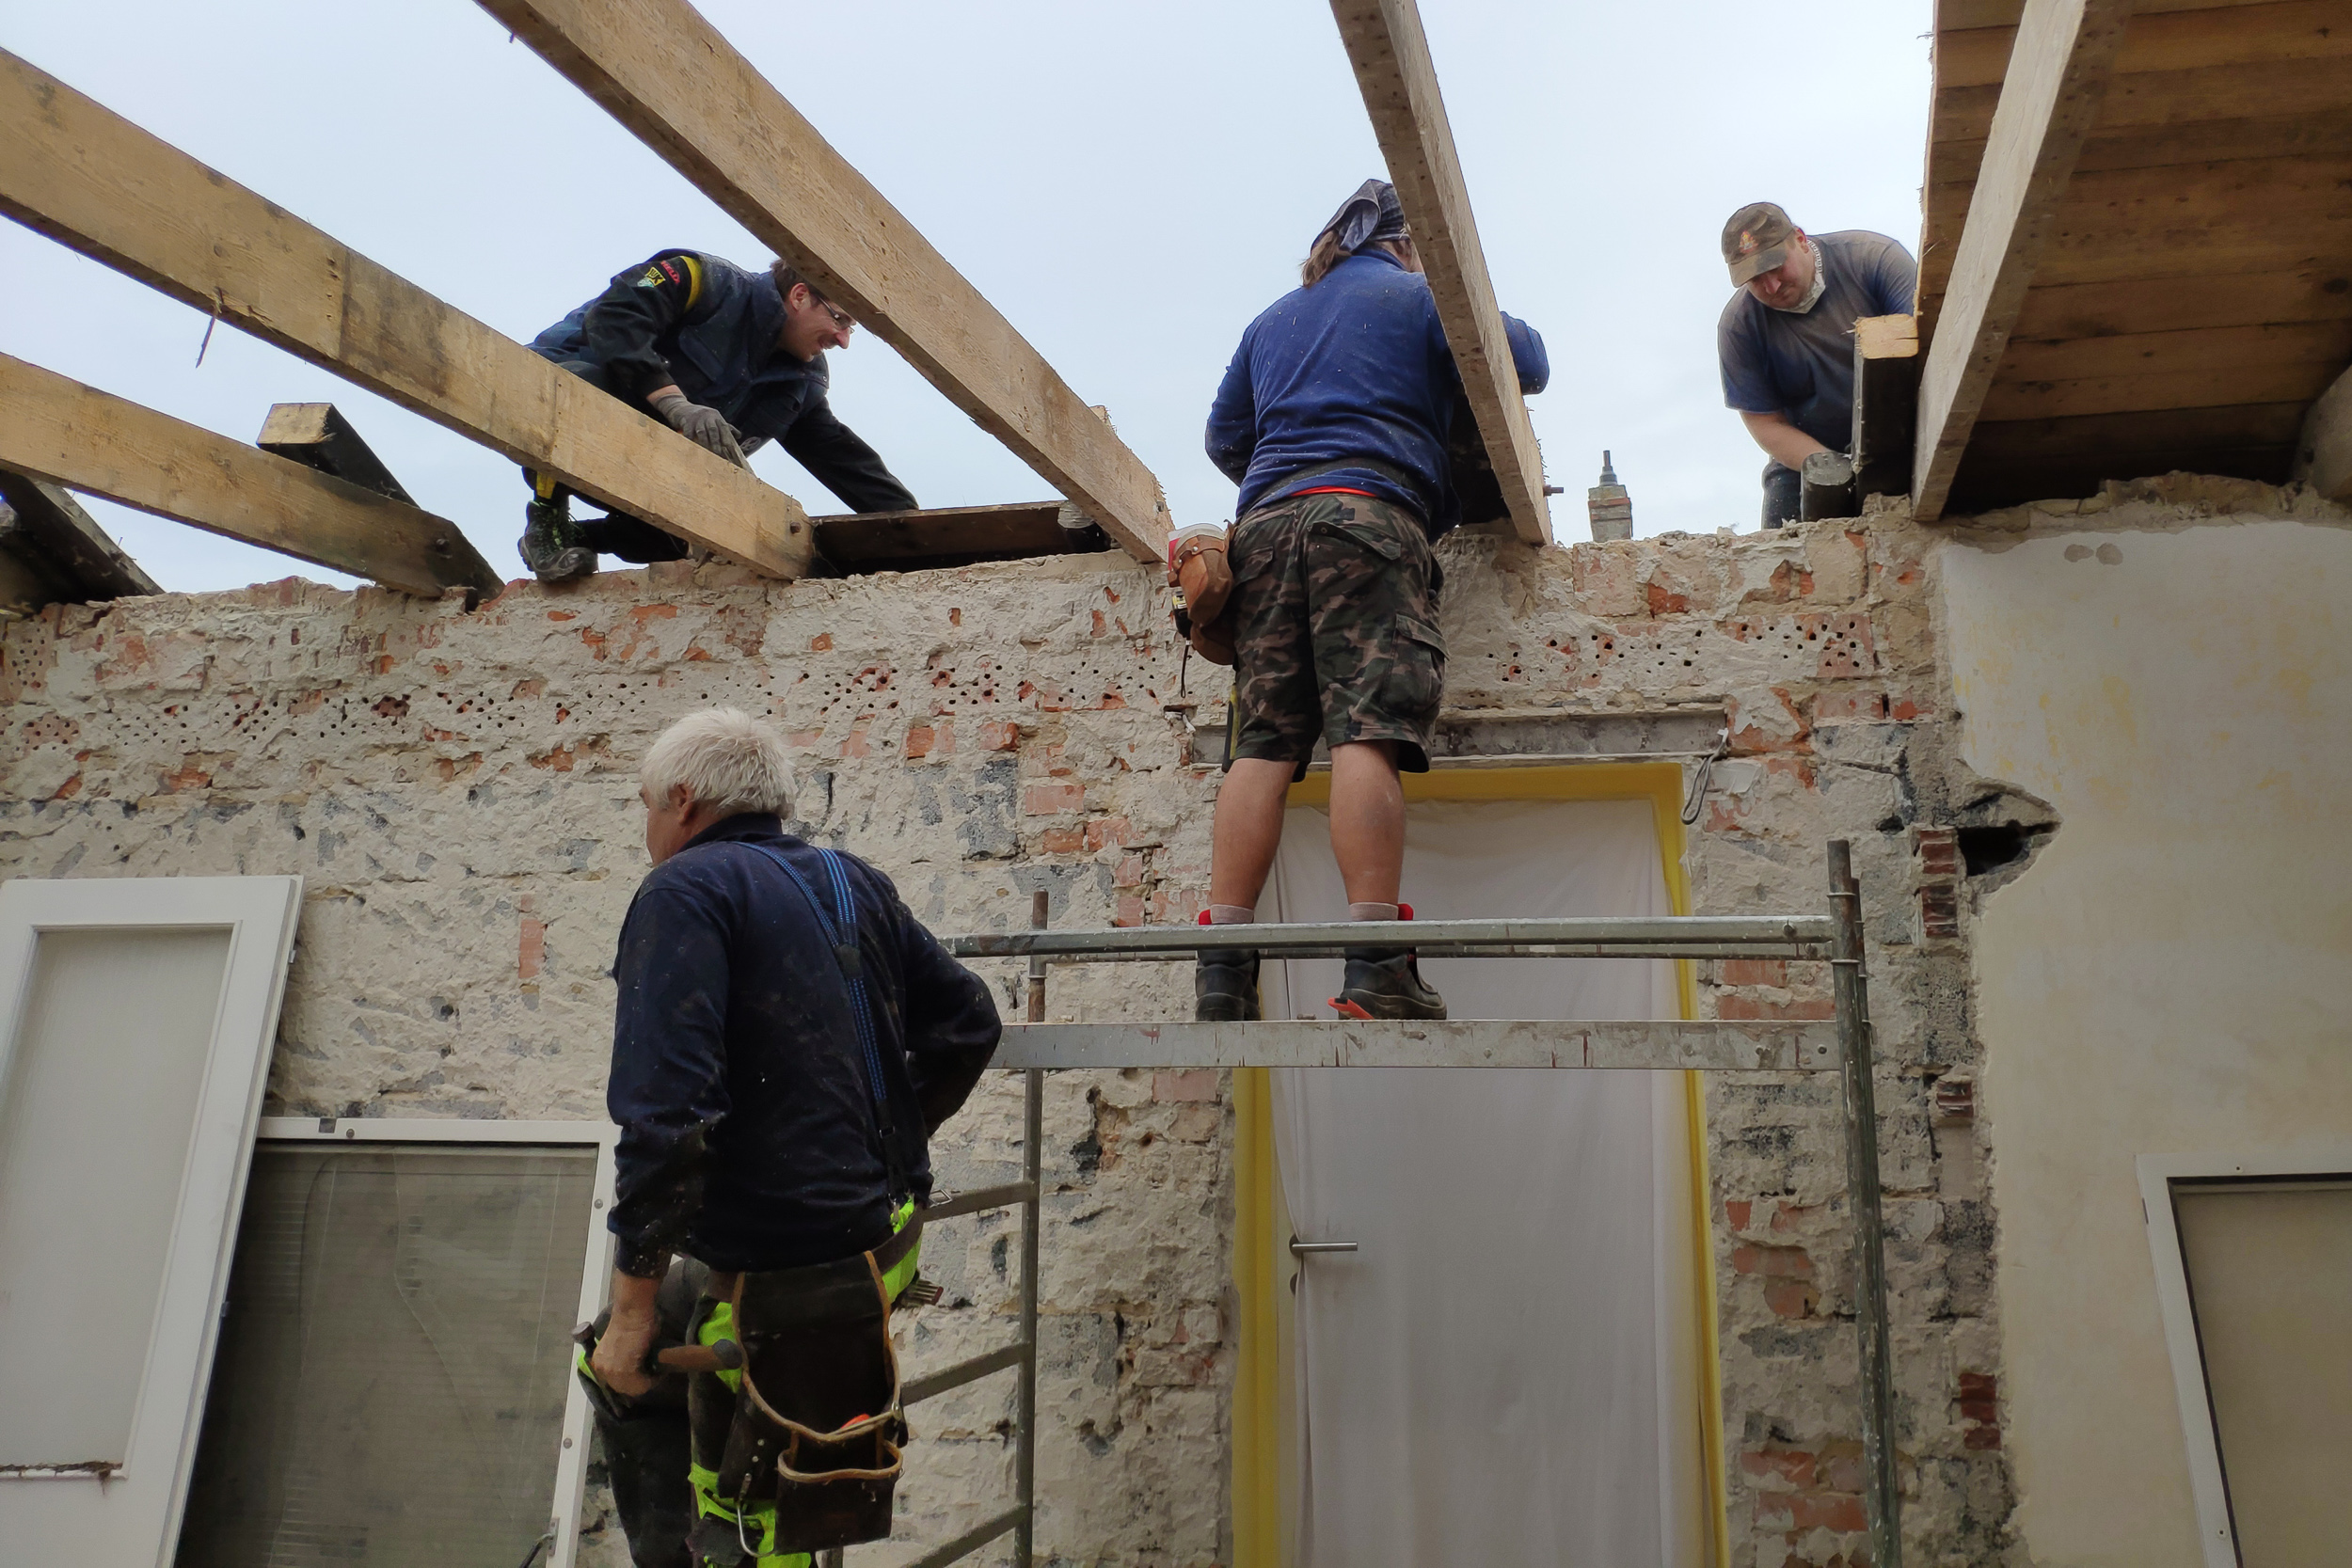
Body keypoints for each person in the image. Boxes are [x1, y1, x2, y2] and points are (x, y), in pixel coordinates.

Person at [583, 708, 1001, 1566]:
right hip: (878, 1249)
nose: (645, 829)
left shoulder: (682, 892)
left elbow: (668, 1121)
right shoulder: (853, 881)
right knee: (659, 1385)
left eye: (645, 807)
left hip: (775, 1278)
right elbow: (970, 1024)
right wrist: (879, 1147)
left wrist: (630, 1314)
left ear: (684, 801)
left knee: (733, 1499)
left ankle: (716, 1538)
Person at [1199, 180, 1549, 1023]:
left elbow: (1223, 439)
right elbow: (1529, 361)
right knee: (1366, 732)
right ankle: (1376, 965)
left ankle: (1222, 976)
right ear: (1406, 241)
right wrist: (1452, 287)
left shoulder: (1272, 320)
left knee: (1262, 743)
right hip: (1366, 520)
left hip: (1263, 535)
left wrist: (1291, 470)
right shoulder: (1417, 295)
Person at [518, 253, 919, 581]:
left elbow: (844, 460)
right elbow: (615, 318)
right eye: (840, 319)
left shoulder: (800, 382)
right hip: (556, 397)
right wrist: (674, 403)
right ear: (800, 296)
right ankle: (548, 514)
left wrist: (917, 532)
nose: (843, 340)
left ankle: (581, 536)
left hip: (640, 459)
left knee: (696, 524)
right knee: (576, 393)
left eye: (851, 329)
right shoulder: (701, 281)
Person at [1717, 202, 1917, 530]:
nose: (1771, 286)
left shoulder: (1874, 259)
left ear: (1800, 239)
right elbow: (1766, 423)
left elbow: (1924, 352)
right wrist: (1830, 467)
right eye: (1755, 279)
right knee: (1782, 552)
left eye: (1776, 267)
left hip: (1903, 428)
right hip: (1805, 458)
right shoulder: (1739, 327)